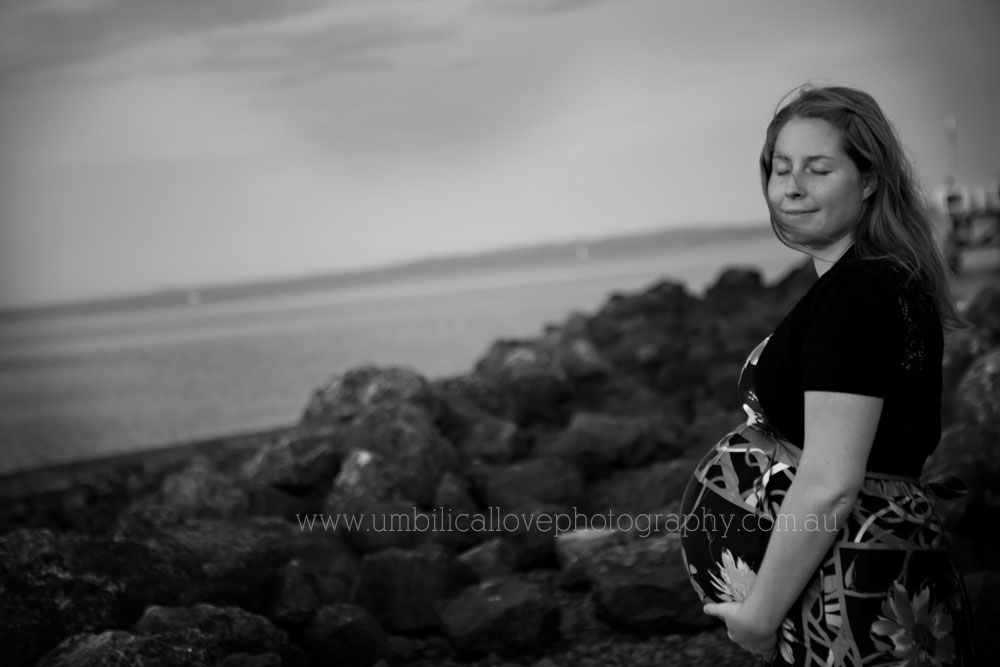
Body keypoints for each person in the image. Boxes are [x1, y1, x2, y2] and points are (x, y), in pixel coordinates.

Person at [679, 85, 976, 666]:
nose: (792, 187)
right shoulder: (881, 279)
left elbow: (830, 482)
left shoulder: (860, 292)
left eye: (819, 169)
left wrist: (761, 615)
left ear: (868, 180)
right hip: (866, 578)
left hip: (850, 592)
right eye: (780, 168)